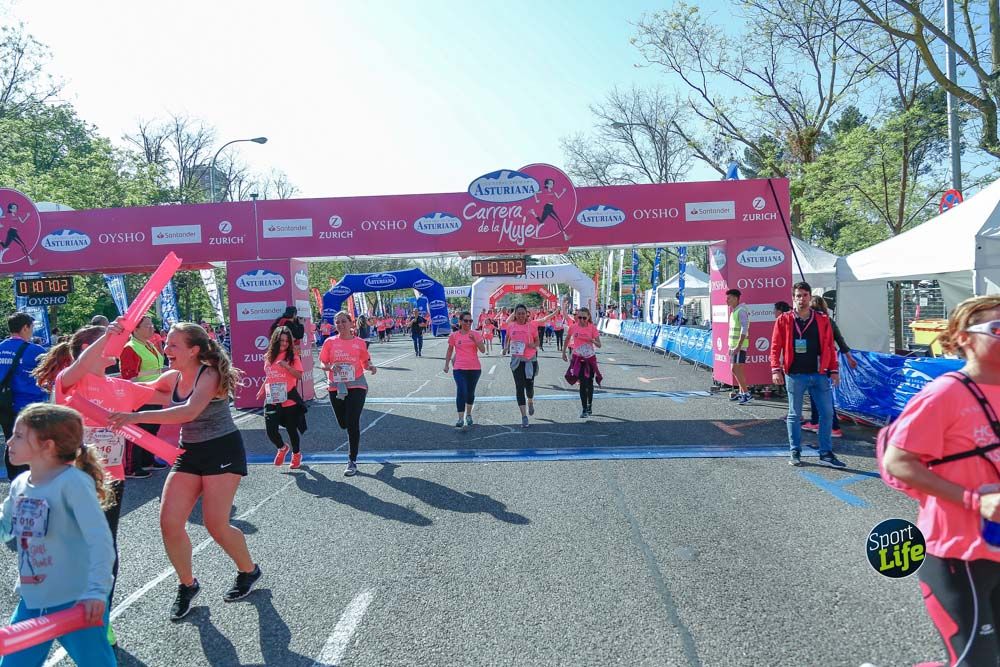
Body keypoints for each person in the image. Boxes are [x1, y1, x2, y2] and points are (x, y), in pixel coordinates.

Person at [107, 322, 261, 622]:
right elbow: (138, 391)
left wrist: (133, 416)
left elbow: (188, 411)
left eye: (173, 345)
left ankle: (248, 570)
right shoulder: (172, 376)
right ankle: (187, 584)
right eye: (166, 343)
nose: (166, 349)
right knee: (169, 522)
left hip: (222, 450)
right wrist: (95, 384)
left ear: (194, 350)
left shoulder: (210, 374)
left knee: (215, 525)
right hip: (189, 453)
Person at [882, 295, 1000, 666]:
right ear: (965, 338)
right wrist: (974, 500)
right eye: (997, 329)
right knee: (975, 661)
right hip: (956, 553)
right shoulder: (945, 393)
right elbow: (898, 462)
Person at [0, 403, 116, 666]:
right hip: (32, 600)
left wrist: (96, 592)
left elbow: (100, 541)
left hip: (76, 601)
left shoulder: (72, 483)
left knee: (97, 663)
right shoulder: (20, 484)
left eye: (19, 435)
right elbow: (6, 526)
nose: (9, 441)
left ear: (47, 446)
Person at [770, 282, 845, 467]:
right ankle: (795, 451)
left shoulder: (822, 319)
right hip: (795, 375)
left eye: (804, 295)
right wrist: (775, 369)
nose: (801, 299)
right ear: (793, 298)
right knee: (794, 415)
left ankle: (826, 452)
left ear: (810, 297)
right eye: (798, 295)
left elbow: (829, 346)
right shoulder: (784, 320)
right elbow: (775, 347)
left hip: (819, 374)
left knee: (827, 414)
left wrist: (834, 370)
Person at [319, 311, 377, 477]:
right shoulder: (329, 342)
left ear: (352, 323)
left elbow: (365, 361)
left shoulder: (359, 343)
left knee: (352, 422)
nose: (340, 325)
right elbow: (323, 361)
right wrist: (329, 367)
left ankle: (352, 460)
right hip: (336, 386)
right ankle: (352, 423)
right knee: (343, 423)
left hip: (357, 383)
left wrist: (370, 367)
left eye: (344, 321)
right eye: (337, 322)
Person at [801, 295, 857, 439]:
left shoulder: (818, 321)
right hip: (824, 362)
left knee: (822, 395)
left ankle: (833, 427)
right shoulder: (829, 320)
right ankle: (816, 421)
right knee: (816, 394)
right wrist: (849, 358)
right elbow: (841, 341)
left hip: (820, 363)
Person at [119, 315, 168, 479]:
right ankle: (132, 467)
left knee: (153, 428)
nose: (151, 328)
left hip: (156, 394)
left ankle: (148, 460)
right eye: (147, 326)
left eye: (151, 325)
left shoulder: (149, 345)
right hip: (141, 397)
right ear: (135, 329)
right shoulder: (130, 348)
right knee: (139, 430)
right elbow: (129, 378)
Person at [0, 313, 46, 480]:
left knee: (11, 441)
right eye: (31, 328)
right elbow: (49, 376)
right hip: (28, 406)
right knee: (30, 443)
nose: (32, 332)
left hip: (4, 405)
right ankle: (28, 481)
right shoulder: (35, 351)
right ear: (25, 327)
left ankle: (14, 481)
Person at [257, 326, 306, 469]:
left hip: (289, 397)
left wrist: (287, 366)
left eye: (286, 341)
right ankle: (282, 447)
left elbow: (299, 376)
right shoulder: (269, 356)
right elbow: (269, 376)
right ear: (275, 340)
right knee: (271, 430)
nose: (284, 343)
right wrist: (262, 389)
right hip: (272, 397)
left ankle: (296, 454)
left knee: (291, 429)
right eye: (281, 340)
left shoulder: (293, 357)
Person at [443, 311, 485, 429]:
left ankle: (469, 414)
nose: (468, 323)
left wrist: (475, 340)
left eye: (470, 321)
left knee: (470, 393)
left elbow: (482, 350)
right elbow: (450, 350)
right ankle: (461, 418)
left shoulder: (475, 334)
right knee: (461, 391)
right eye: (466, 321)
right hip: (459, 368)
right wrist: (446, 364)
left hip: (474, 368)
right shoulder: (454, 335)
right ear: (460, 322)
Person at [503, 305, 541, 428]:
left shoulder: (532, 326)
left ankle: (530, 400)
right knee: (519, 387)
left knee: (529, 386)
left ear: (526, 314)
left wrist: (532, 345)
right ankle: (524, 416)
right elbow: (507, 338)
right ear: (515, 314)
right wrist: (505, 347)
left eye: (523, 313)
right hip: (517, 360)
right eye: (518, 313)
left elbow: (538, 342)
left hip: (530, 360)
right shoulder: (511, 326)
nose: (521, 315)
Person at [563, 308, 602, 418]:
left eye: (584, 318)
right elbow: (567, 339)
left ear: (588, 317)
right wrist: (563, 352)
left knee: (589, 384)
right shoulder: (573, 327)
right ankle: (584, 408)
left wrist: (592, 341)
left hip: (589, 359)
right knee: (582, 384)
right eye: (579, 317)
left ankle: (589, 405)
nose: (581, 320)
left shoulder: (592, 328)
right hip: (578, 359)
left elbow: (599, 345)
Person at [726, 289, 752, 405]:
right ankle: (743, 393)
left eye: (729, 298)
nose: (727, 300)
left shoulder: (740, 310)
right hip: (735, 345)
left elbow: (744, 328)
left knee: (735, 369)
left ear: (736, 298)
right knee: (738, 369)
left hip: (739, 346)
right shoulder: (734, 311)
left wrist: (738, 345)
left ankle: (746, 394)